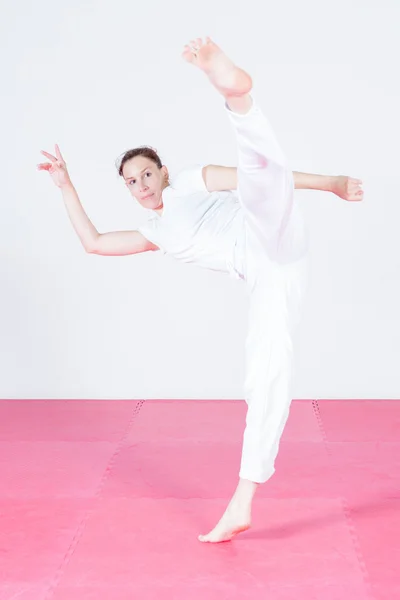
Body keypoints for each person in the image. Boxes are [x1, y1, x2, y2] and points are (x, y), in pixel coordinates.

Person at [37, 37, 363, 543]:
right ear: (126, 190)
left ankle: (236, 95)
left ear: (162, 171)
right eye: (131, 181)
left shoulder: (187, 181)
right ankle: (243, 499)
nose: (142, 183)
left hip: (268, 229)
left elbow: (266, 179)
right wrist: (65, 186)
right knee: (266, 372)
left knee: (260, 175)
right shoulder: (154, 234)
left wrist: (334, 183)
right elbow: (95, 243)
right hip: (273, 276)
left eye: (147, 172)